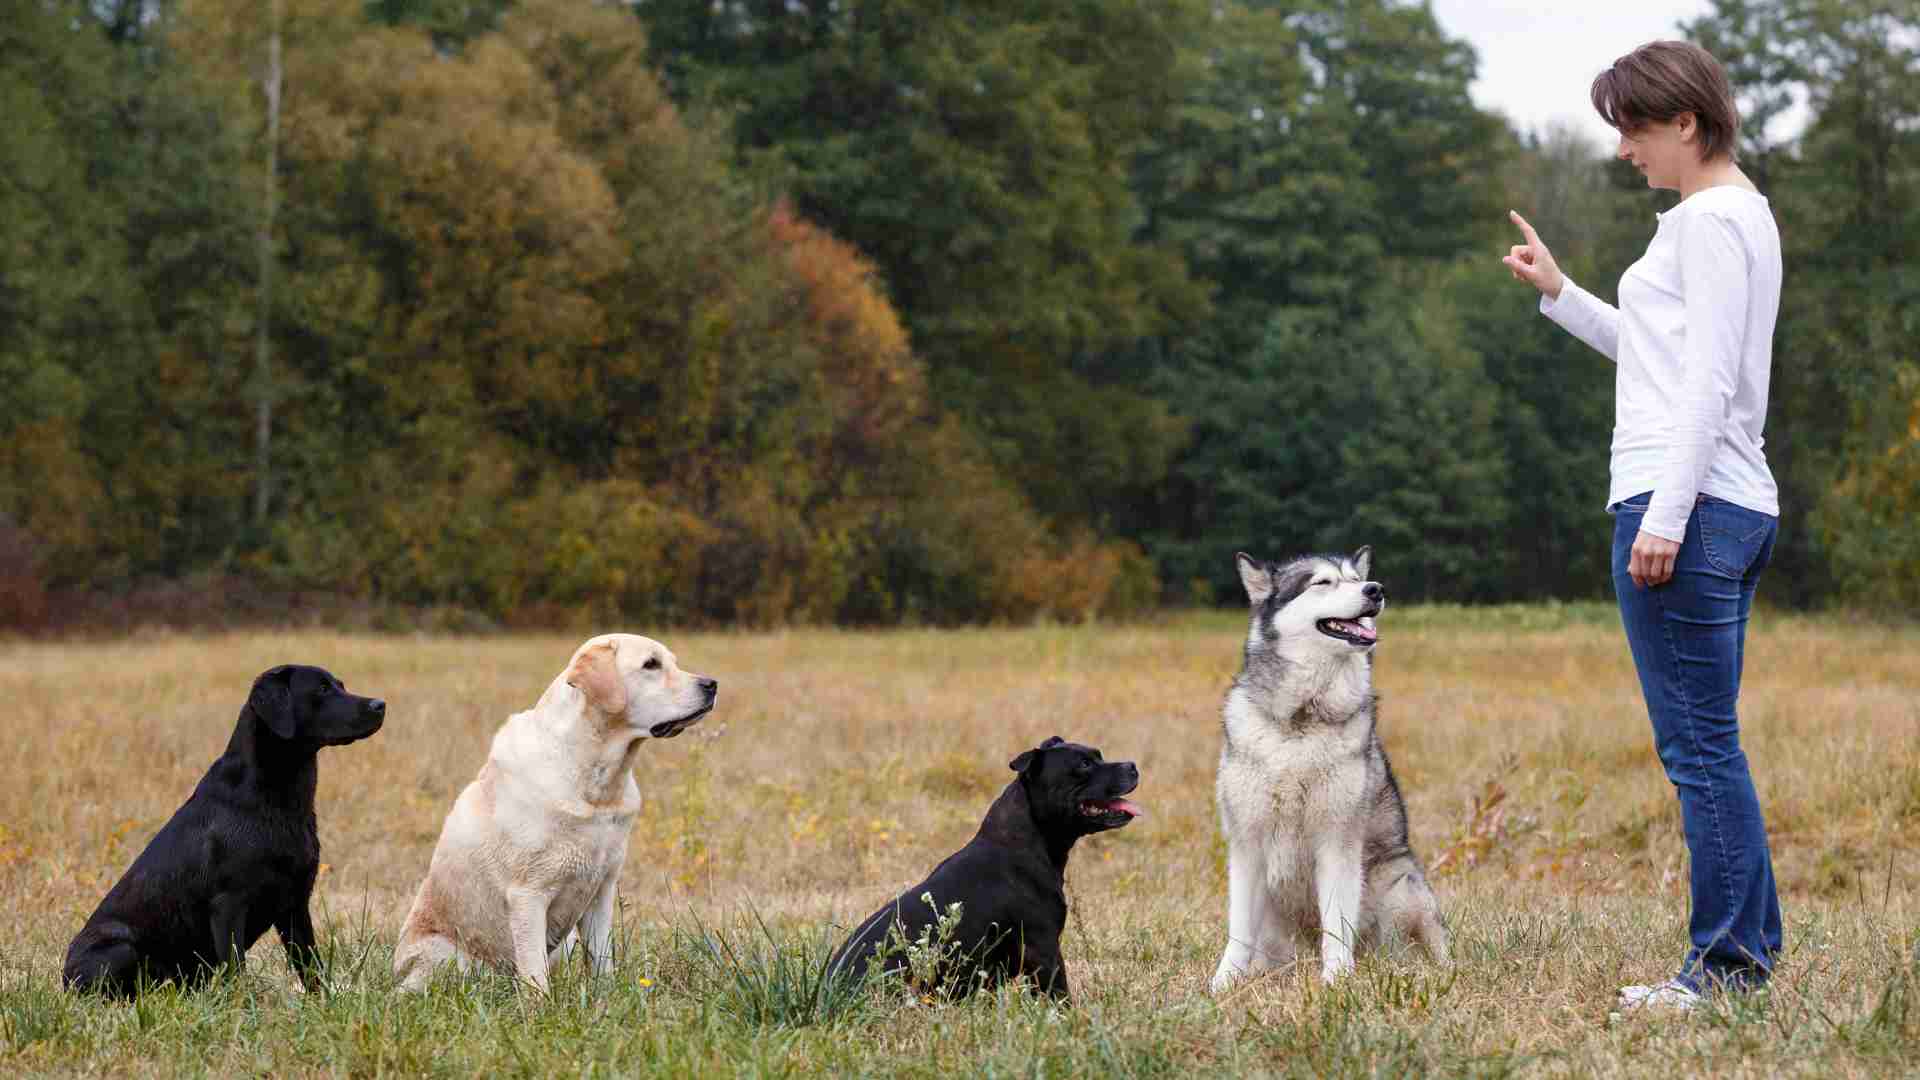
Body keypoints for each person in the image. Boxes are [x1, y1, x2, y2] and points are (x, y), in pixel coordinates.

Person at [1503, 39, 1783, 1012]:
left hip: (1687, 506)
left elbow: (1703, 385)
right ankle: (1749, 952)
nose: (1624, 150)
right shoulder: (1739, 215)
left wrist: (1662, 517)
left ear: (1685, 122)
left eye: (1632, 128)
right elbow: (1664, 359)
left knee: (1698, 749)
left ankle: (1725, 970)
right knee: (1714, 742)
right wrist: (1562, 295)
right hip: (1729, 505)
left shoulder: (1706, 222)